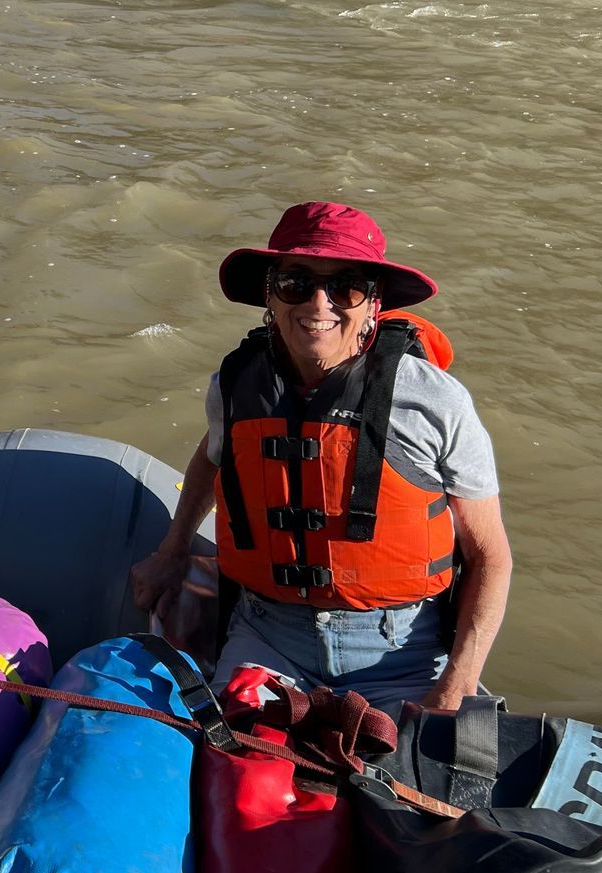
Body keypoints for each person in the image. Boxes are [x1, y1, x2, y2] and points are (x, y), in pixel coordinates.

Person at [131, 201, 512, 715]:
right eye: (296, 283)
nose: (318, 303)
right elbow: (212, 456)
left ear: (374, 302)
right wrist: (172, 552)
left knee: (405, 769)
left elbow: (490, 555)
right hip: (266, 639)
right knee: (229, 760)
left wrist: (459, 680)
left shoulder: (434, 400)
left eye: (346, 287)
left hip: (402, 653)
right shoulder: (234, 385)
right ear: (270, 294)